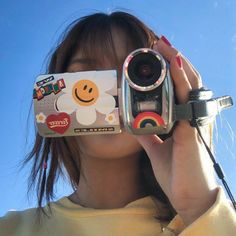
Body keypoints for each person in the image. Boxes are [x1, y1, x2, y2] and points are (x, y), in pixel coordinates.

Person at [0, 11, 236, 236]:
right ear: (57, 94)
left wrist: (199, 206)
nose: (114, 92)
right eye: (88, 73)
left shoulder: (204, 221)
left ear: (170, 91)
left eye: (134, 72)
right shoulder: (10, 229)